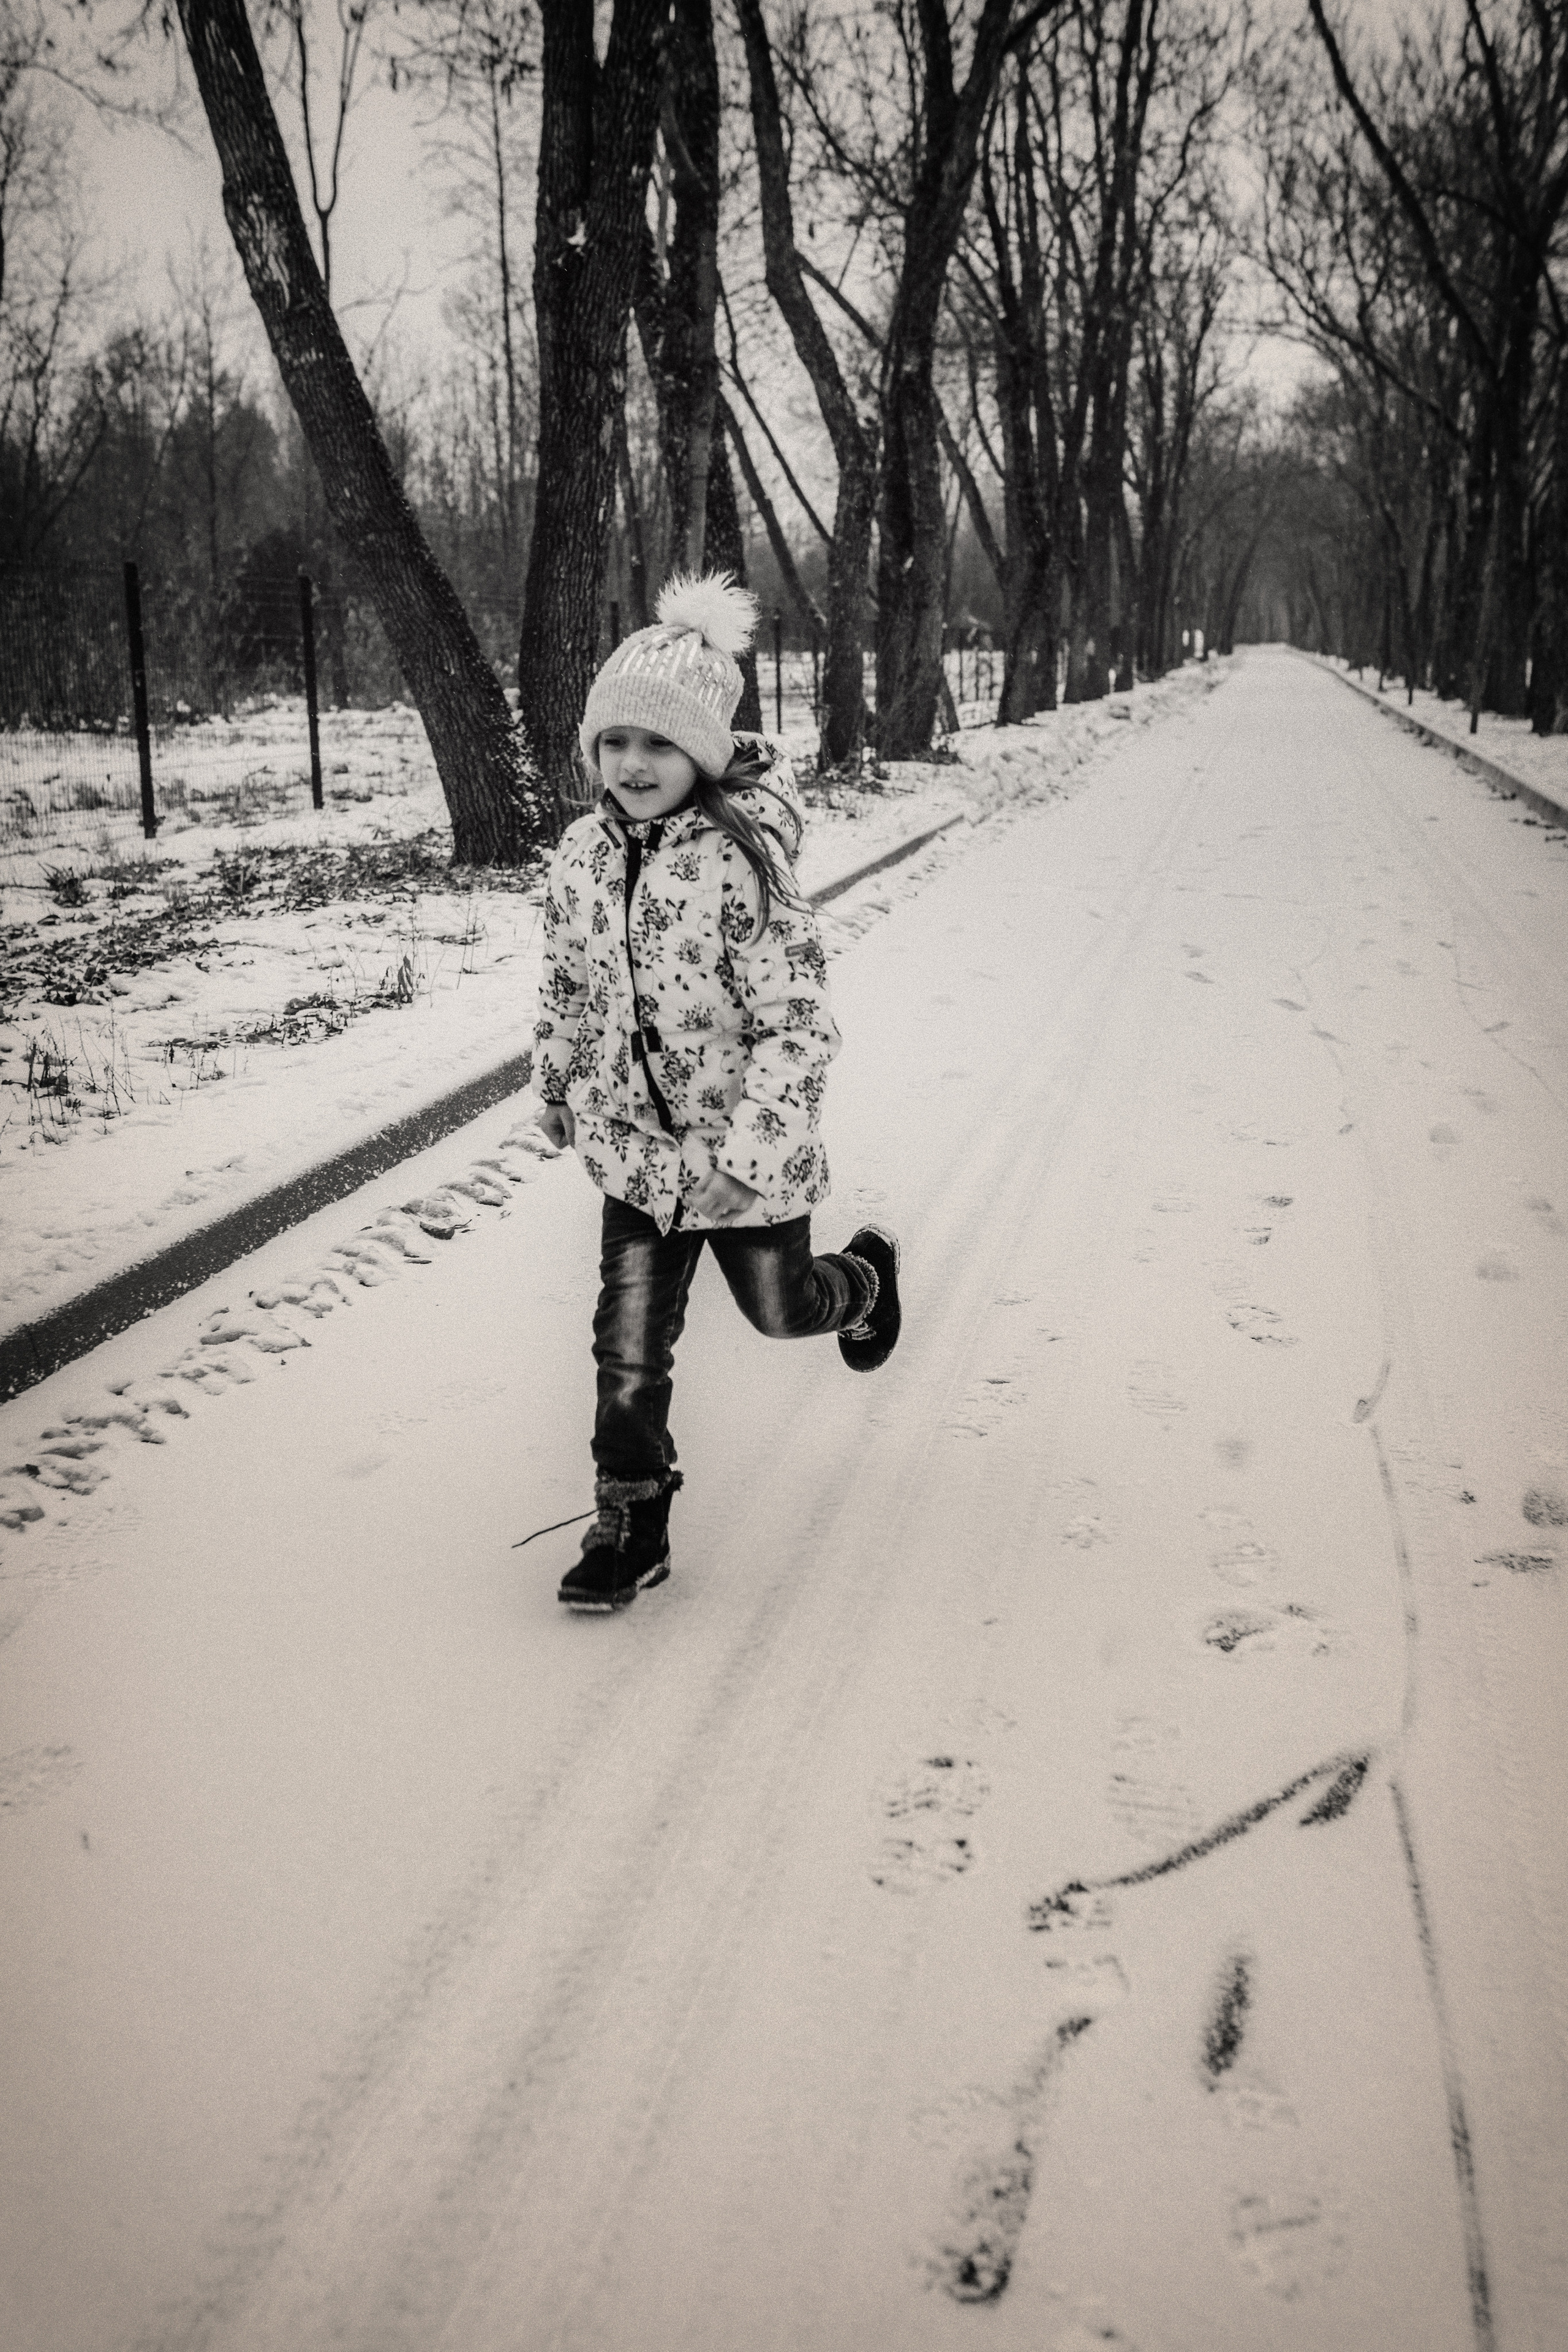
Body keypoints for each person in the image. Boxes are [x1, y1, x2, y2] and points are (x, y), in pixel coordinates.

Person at [532, 571, 901, 1613]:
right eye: (614, 743)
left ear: (702, 752)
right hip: (637, 1159)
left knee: (782, 1316)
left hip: (741, 1165)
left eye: (657, 745)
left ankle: (863, 1283)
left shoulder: (745, 863)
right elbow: (568, 978)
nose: (633, 765)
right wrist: (558, 1078)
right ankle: (630, 1519)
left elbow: (798, 1026)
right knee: (627, 1350)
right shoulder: (579, 858)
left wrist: (749, 1159)